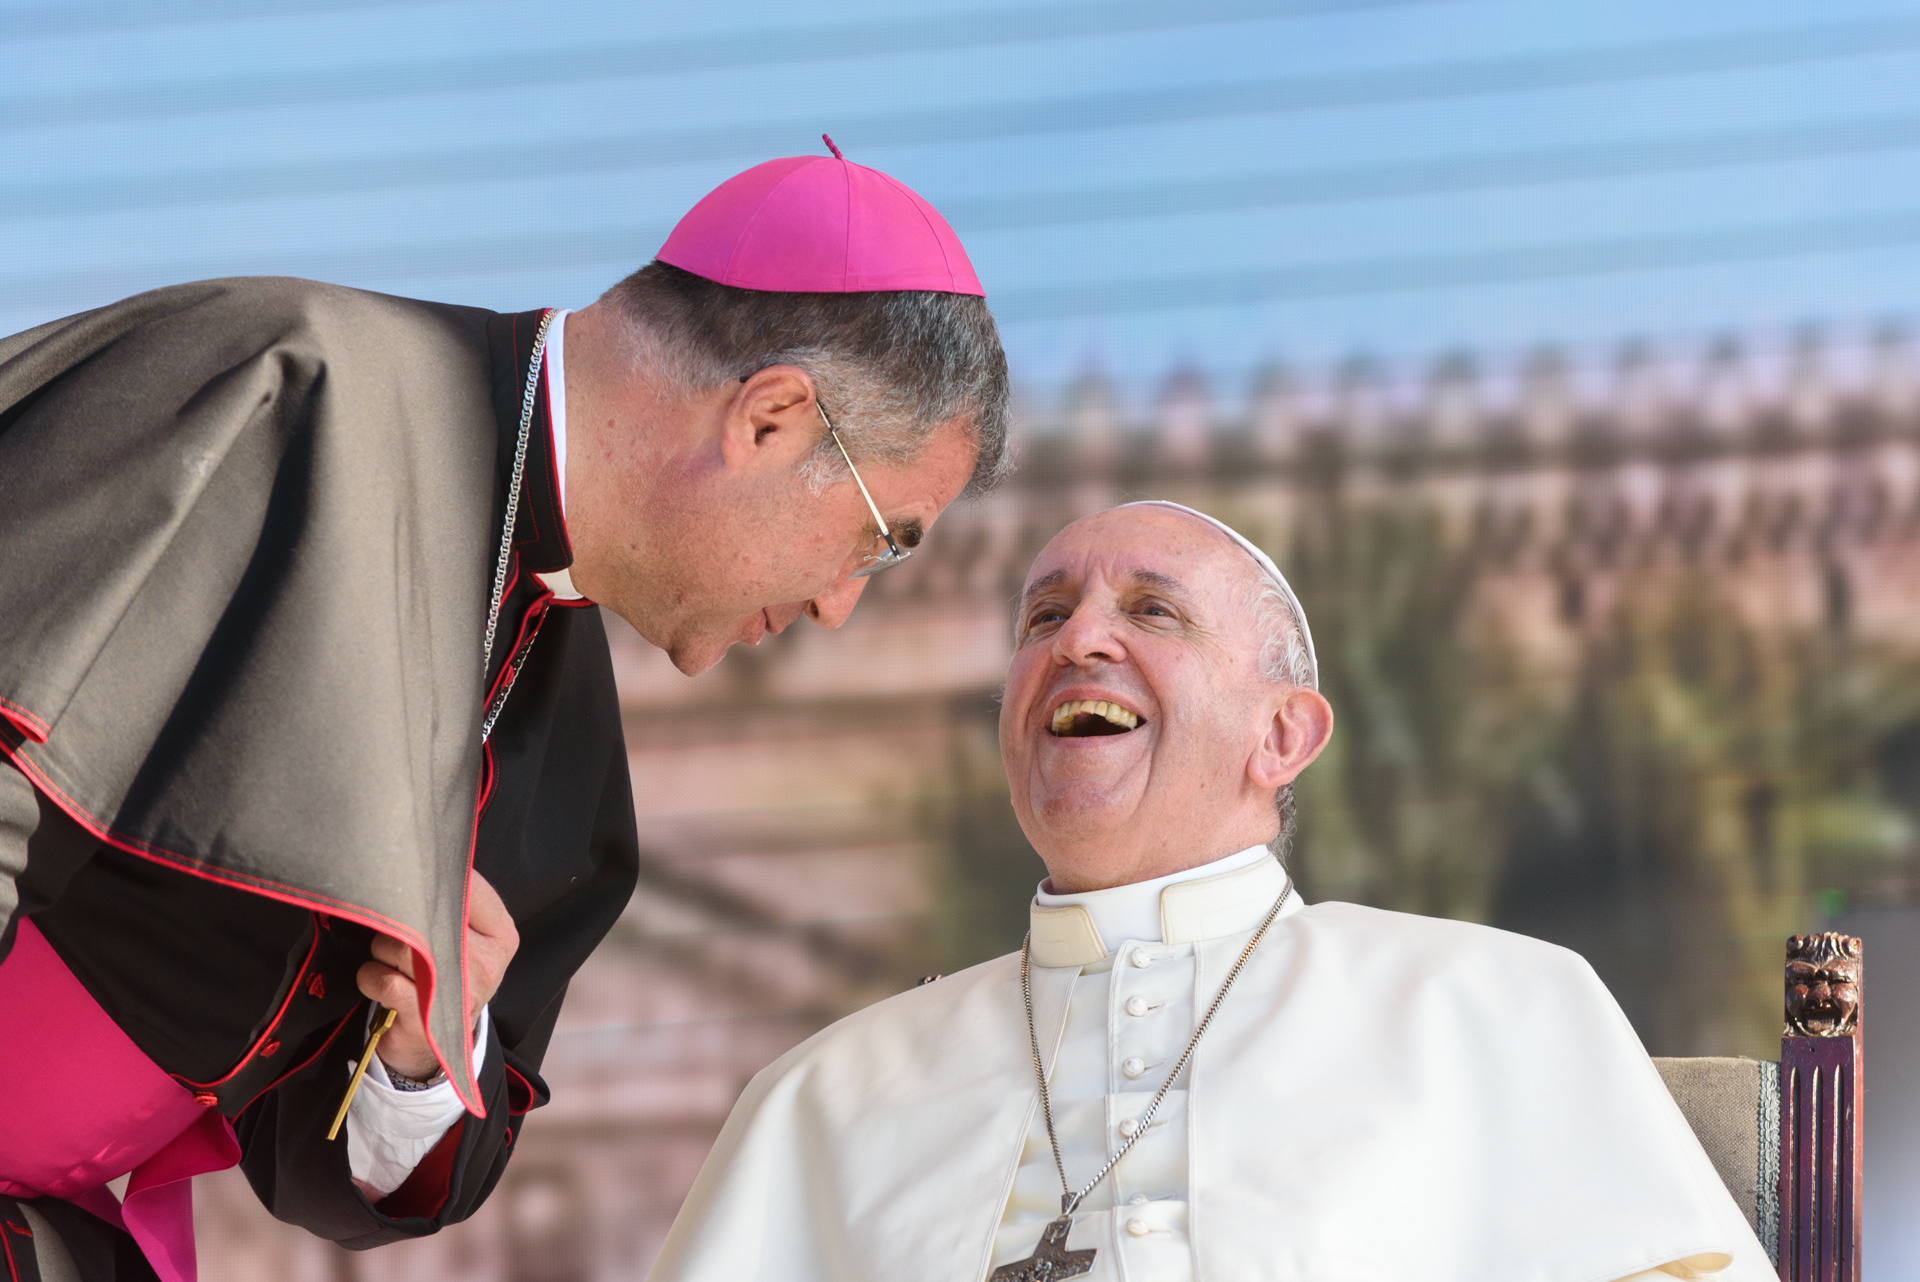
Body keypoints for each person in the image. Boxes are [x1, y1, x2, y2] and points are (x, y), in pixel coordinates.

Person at [0, 140, 1009, 1282]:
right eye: (879, 540)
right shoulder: (286, 388)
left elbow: (318, 1167)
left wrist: (419, 1063)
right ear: (769, 418)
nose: (838, 603)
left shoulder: (569, 752)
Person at [648, 501, 1775, 1282]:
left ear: (1284, 734)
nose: (1078, 638)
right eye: (1044, 616)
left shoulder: (1490, 1001)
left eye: (1152, 611)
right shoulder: (824, 1094)